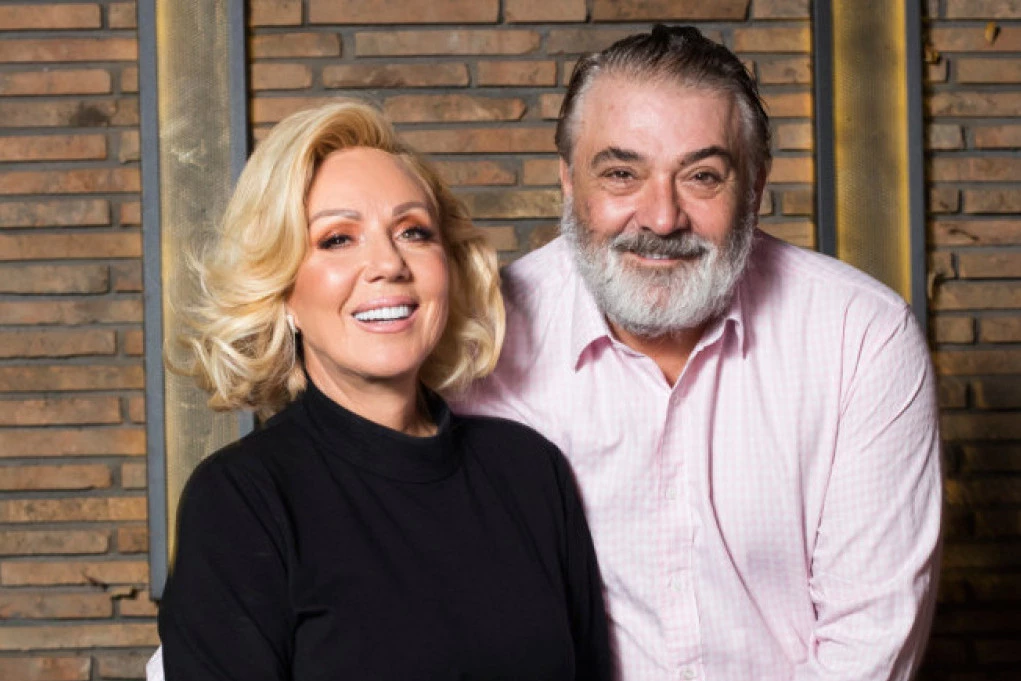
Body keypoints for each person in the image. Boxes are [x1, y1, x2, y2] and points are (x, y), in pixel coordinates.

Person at [452, 25, 942, 680]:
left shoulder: (861, 336)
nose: (661, 218)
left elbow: (868, 641)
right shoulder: (482, 341)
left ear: (755, 187)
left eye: (702, 176)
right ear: (568, 181)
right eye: (621, 173)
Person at [154, 100, 612, 681]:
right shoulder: (241, 501)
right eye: (337, 239)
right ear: (282, 291)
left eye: (413, 232)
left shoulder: (529, 471)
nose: (388, 263)